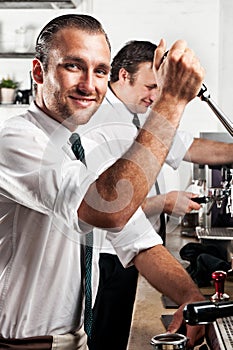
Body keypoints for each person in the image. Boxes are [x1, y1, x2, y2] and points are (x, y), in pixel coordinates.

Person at [0, 14, 206, 350]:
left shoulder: (79, 147)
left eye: (99, 71)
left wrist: (192, 298)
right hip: (24, 345)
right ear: (39, 72)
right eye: (73, 66)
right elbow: (108, 211)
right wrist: (170, 100)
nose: (89, 84)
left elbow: (139, 240)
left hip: (78, 339)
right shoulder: (16, 141)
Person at [79, 39, 233, 350]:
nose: (155, 96)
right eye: (151, 86)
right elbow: (106, 207)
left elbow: (189, 147)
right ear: (124, 76)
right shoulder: (97, 122)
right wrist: (162, 202)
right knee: (108, 338)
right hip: (108, 259)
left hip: (138, 249)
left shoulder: (138, 112)